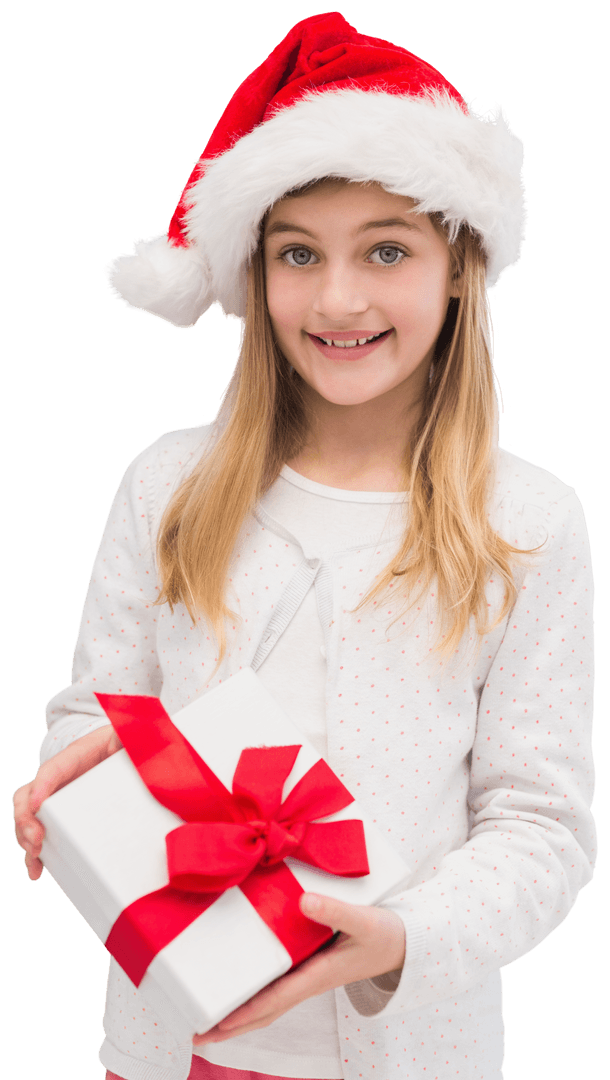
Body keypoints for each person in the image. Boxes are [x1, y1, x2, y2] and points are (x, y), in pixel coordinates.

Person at [12, 11, 596, 1080]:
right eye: (297, 253)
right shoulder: (168, 485)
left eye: (386, 249)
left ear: (459, 265)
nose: (338, 299)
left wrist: (401, 940)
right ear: (253, 273)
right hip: (167, 1042)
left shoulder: (529, 522)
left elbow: (540, 824)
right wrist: (71, 769)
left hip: (413, 1053)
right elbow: (98, 707)